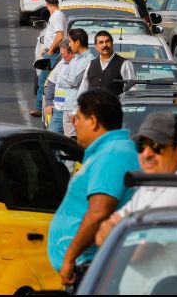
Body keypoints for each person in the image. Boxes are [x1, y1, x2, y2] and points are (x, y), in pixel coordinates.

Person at [94, 113, 177, 295]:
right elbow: (101, 234)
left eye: (157, 146)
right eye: (141, 146)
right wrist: (117, 234)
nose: (147, 154)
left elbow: (135, 253)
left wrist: (115, 233)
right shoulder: (151, 186)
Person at [48, 89, 140, 287]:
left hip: (92, 268)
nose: (74, 123)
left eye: (78, 117)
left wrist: (70, 257)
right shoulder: (108, 152)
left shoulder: (112, 154)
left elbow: (99, 212)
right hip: (90, 267)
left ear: (93, 121)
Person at [31, 0, 67, 117]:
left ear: (47, 4)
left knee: (43, 81)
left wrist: (50, 50)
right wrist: (46, 48)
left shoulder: (57, 16)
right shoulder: (58, 15)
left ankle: (39, 108)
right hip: (52, 51)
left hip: (53, 54)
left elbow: (60, 35)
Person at [77, 30, 135, 98]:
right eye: (101, 42)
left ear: (112, 44)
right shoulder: (91, 64)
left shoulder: (124, 64)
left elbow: (132, 90)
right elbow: (83, 89)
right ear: (96, 46)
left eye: (107, 41)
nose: (105, 45)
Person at [59, 29, 94, 138]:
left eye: (70, 42)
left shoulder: (89, 60)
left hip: (77, 107)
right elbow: (61, 78)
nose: (69, 45)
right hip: (67, 104)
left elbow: (74, 80)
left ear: (77, 42)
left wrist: (65, 79)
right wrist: (66, 79)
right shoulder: (74, 59)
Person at [45, 41, 75, 134]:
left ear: (72, 54)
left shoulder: (83, 64)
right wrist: (49, 102)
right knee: (52, 138)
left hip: (73, 111)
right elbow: (52, 81)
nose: (62, 57)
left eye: (63, 54)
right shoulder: (62, 63)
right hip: (59, 109)